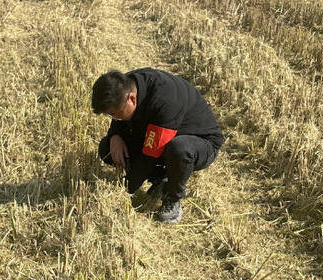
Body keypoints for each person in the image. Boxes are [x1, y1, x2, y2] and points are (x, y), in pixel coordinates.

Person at [91, 68, 224, 224]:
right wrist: (115, 135)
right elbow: (142, 139)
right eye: (111, 116)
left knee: (179, 149)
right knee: (107, 148)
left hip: (200, 142)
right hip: (163, 135)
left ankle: (172, 198)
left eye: (117, 114)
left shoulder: (165, 100)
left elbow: (149, 156)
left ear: (132, 99)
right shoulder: (124, 84)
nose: (115, 119)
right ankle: (161, 177)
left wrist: (122, 192)